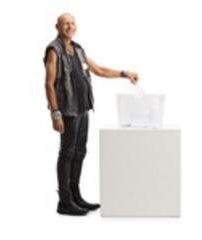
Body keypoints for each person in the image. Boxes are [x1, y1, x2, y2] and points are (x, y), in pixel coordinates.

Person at [44, 13, 140, 216]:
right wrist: (55, 114)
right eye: (65, 24)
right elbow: (49, 84)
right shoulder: (54, 50)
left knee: (80, 152)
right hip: (67, 111)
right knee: (67, 152)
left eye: (72, 23)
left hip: (83, 107)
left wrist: (124, 73)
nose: (70, 26)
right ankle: (65, 201)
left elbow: (100, 70)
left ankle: (76, 196)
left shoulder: (78, 50)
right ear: (57, 27)